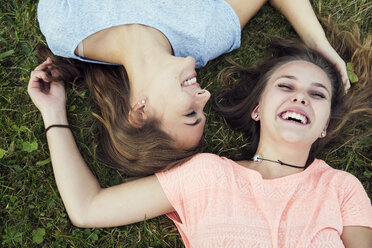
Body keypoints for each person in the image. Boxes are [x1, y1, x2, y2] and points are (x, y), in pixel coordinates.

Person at [28, 27, 372, 246]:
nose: (300, 98)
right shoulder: (205, 175)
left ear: (325, 124)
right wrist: (54, 113)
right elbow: (88, 208)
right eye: (286, 86)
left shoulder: (341, 189)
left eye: (318, 95)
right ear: (257, 108)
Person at [36, 0, 350, 176]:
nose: (205, 96)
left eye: (190, 113)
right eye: (203, 111)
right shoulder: (205, 37)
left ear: (140, 110)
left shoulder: (63, 25)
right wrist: (319, 45)